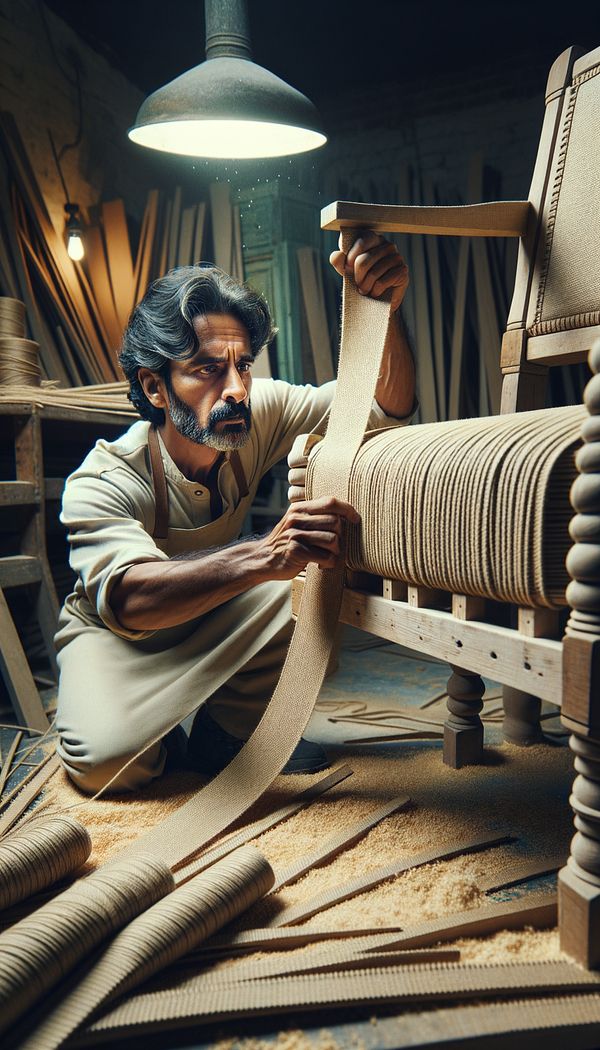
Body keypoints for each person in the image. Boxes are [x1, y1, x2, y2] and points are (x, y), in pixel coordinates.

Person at [55, 232, 416, 793]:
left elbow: (379, 410)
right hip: (120, 639)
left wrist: (385, 310)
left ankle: (223, 732)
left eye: (242, 366)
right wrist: (263, 553)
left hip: (212, 610)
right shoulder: (104, 479)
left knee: (306, 584)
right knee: (110, 767)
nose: (237, 390)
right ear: (155, 386)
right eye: (206, 370)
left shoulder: (252, 409)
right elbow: (130, 599)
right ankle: (155, 731)